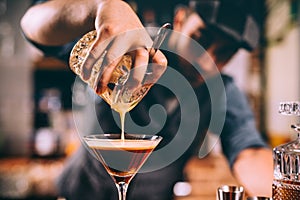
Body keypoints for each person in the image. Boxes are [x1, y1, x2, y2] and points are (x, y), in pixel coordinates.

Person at [21, 0, 273, 199]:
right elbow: (31, 25)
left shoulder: (221, 90)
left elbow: (248, 150)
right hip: (77, 193)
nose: (208, 61)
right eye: (201, 38)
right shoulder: (124, 52)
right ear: (180, 19)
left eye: (225, 52)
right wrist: (98, 7)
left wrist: (279, 191)